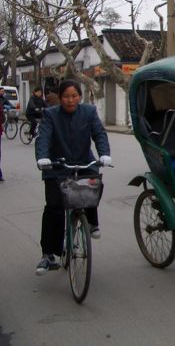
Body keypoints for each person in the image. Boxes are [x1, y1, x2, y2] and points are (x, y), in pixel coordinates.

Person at [34, 80, 111, 275]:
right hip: (56, 165)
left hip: (83, 161)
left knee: (94, 183)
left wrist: (104, 153)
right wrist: (43, 157)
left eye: (74, 96)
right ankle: (48, 255)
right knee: (54, 208)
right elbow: (43, 137)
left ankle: (92, 222)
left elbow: (99, 134)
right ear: (60, 98)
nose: (70, 100)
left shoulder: (89, 112)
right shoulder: (51, 115)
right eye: (66, 96)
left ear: (80, 96)